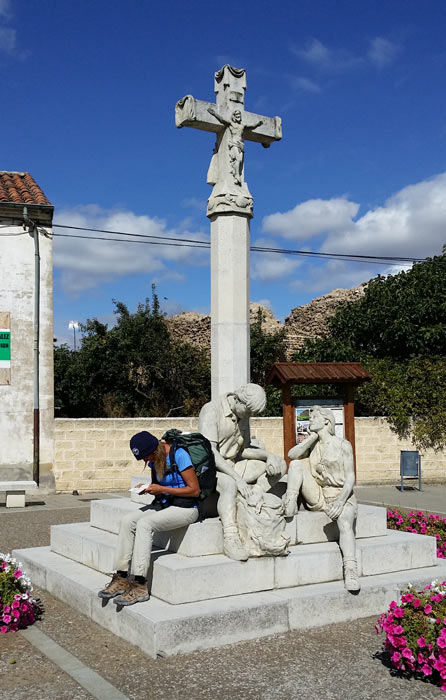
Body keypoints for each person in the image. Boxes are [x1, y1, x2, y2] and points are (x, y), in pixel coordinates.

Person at [98, 431, 199, 606]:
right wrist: (148, 488)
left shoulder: (180, 455)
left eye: (147, 457)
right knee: (127, 521)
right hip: (165, 504)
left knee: (145, 524)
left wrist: (162, 489)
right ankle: (121, 577)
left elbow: (194, 490)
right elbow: (161, 486)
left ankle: (140, 585)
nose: (147, 461)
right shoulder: (155, 460)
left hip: (186, 508)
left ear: (156, 449)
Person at [198, 383, 286, 561]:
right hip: (211, 468)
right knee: (230, 485)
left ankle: (254, 496)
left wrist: (269, 456)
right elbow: (210, 453)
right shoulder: (211, 411)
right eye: (248, 411)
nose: (249, 416)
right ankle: (231, 537)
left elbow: (244, 450)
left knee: (280, 465)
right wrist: (238, 479)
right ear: (238, 400)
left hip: (233, 464)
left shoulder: (243, 414)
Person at [283, 406, 360, 592]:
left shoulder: (343, 445)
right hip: (319, 494)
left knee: (345, 521)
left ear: (326, 421)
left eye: (314, 417)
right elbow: (291, 455)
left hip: (341, 495)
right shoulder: (314, 445)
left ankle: (350, 568)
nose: (310, 420)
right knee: (296, 465)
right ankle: (290, 502)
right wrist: (312, 438)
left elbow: (351, 477)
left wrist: (341, 501)